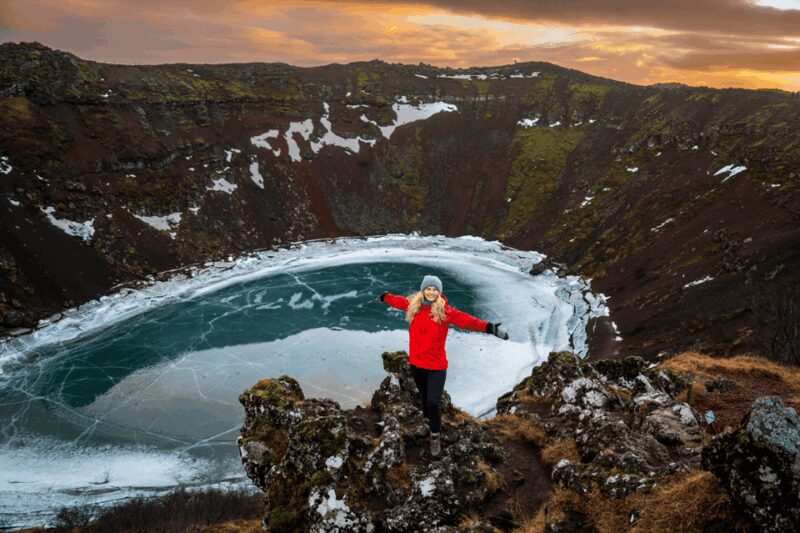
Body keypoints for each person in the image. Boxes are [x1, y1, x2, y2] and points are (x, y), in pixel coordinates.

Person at [379, 274, 508, 458]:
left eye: (435, 290)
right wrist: (386, 297)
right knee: (424, 398)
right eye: (428, 289)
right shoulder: (413, 306)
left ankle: (435, 435)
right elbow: (398, 301)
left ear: (439, 293)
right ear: (423, 290)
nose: (431, 292)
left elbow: (468, 321)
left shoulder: (445, 311)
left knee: (433, 401)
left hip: (436, 366)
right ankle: (428, 422)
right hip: (417, 364)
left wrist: (489, 328)